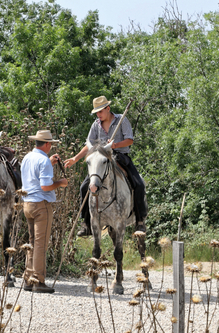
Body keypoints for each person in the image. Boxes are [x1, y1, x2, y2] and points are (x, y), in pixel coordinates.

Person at [64, 96, 147, 237]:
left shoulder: (122, 120)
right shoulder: (96, 125)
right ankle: (86, 224)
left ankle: (140, 221)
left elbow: (129, 140)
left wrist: (115, 145)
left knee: (138, 184)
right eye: (96, 112)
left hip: (120, 157)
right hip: (101, 160)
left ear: (108, 108)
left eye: (100, 111)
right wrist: (75, 158)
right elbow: (89, 144)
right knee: (84, 187)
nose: (98, 115)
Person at [21, 130, 68, 293]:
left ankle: (28, 278)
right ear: (47, 144)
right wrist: (60, 183)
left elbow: (34, 176)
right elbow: (45, 186)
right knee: (41, 244)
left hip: (27, 203)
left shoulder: (27, 157)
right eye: (51, 144)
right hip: (41, 204)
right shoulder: (44, 161)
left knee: (32, 242)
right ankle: (38, 281)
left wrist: (50, 163)